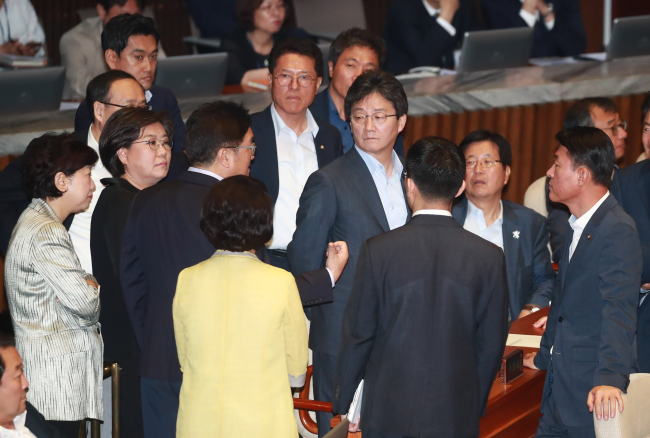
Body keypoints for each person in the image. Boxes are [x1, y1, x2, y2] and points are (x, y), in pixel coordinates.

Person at [120, 101, 348, 438]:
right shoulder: (233, 208)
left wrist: (154, 339)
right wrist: (328, 275)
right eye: (249, 146)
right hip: (222, 376)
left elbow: (132, 282)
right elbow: (263, 287)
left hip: (156, 363)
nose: (252, 155)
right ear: (226, 155)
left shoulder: (147, 198)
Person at [333, 136, 508, 436]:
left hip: (388, 410)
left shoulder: (379, 250)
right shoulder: (490, 257)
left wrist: (345, 402)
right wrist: (472, 402)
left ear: (409, 185)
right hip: (456, 411)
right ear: (461, 188)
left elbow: (359, 334)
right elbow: (491, 344)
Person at [288, 69, 410, 436]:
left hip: (402, 333)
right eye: (359, 116)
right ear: (347, 120)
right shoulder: (329, 180)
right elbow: (303, 262)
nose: (368, 125)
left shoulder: (412, 181)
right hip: (343, 338)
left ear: (401, 121)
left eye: (379, 116)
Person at [524, 127, 642, 438]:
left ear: (582, 176)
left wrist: (610, 376)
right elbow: (562, 303)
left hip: (592, 394)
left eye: (557, 164)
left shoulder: (617, 229)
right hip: (559, 391)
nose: (549, 172)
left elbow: (620, 309)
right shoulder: (577, 225)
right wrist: (543, 355)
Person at [174, 175, 309, 438]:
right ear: (263, 223)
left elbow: (184, 359)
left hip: (199, 422)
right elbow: (296, 371)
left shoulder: (187, 278)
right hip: (263, 422)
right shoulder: (281, 282)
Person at [4, 133, 103, 438]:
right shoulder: (45, 231)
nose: (93, 185)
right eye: (87, 175)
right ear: (61, 181)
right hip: (53, 383)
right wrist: (92, 283)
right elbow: (86, 303)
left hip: (50, 378)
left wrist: (82, 286)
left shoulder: (39, 221)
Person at [0, 69, 146, 259]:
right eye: (129, 107)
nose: (139, 117)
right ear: (99, 111)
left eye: (142, 108)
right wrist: (21, 251)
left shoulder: (148, 155)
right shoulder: (59, 153)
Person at [90, 107, 173, 438]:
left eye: (165, 142)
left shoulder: (142, 200)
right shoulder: (121, 204)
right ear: (122, 154)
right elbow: (138, 286)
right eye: (151, 143)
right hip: (139, 354)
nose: (163, 150)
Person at [249, 38, 343, 270]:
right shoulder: (248, 132)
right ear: (270, 79)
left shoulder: (329, 136)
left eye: (304, 77)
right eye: (284, 76)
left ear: (318, 83)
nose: (294, 86)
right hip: (266, 262)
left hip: (319, 263)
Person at [452, 130, 555, 320]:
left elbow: (545, 280)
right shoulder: (446, 218)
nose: (478, 169)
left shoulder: (530, 224)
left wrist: (530, 310)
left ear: (506, 173)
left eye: (488, 161)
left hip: (508, 330)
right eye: (470, 162)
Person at [529, 97, 628, 262]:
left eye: (621, 125)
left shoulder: (629, 179)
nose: (623, 134)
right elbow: (564, 249)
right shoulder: (562, 186)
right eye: (613, 127)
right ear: (585, 136)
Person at [74, 13, 184, 152]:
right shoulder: (95, 109)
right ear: (112, 58)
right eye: (138, 57)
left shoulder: (164, 98)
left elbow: (182, 152)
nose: (149, 67)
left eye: (153, 56)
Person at [309, 28, 404, 156]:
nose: (358, 76)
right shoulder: (307, 111)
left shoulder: (387, 118)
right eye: (350, 66)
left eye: (368, 70)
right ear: (331, 68)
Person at [59, 0, 166, 100]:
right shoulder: (74, 40)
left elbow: (164, 70)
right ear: (101, 10)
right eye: (123, 16)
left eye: (136, 16)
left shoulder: (144, 35)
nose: (130, 23)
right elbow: (82, 85)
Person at [222, 0, 312, 89]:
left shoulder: (294, 37)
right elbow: (238, 78)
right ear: (249, 12)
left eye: (280, 6)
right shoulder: (233, 42)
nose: (276, 13)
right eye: (267, 7)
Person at [382, 0, 482, 73]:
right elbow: (425, 59)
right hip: (409, 82)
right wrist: (447, 14)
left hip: (452, 79)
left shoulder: (464, 5)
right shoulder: (402, 8)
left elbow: (478, 48)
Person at [482, 0, 586, 58]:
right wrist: (527, 13)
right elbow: (510, 55)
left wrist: (547, 14)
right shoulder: (493, 3)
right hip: (514, 85)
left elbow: (577, 47)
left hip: (560, 81)